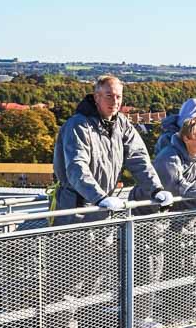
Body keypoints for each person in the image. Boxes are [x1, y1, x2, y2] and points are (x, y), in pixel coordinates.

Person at [52, 75, 173, 222]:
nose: (115, 102)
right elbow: (76, 168)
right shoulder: (78, 125)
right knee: (76, 245)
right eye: (109, 96)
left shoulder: (121, 123)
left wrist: (156, 190)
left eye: (118, 96)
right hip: (76, 208)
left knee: (107, 245)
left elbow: (138, 159)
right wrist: (99, 197)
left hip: (105, 206)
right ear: (97, 97)